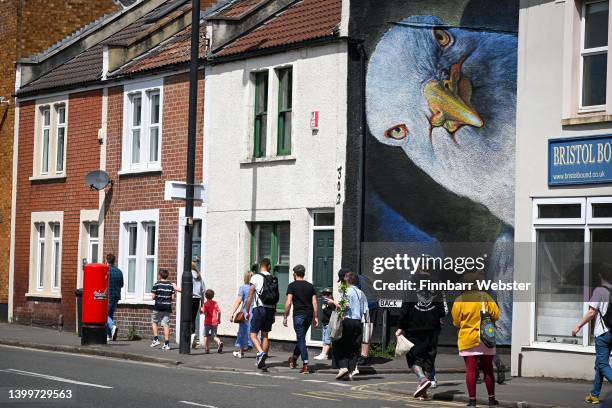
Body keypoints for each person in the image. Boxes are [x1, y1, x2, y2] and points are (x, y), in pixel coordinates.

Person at [452, 271, 500, 407]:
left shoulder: (459, 300)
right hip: (486, 338)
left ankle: (472, 401)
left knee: (471, 370)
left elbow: (456, 322)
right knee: (488, 369)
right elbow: (496, 315)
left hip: (467, 339)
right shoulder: (485, 297)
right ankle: (491, 400)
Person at [395, 270, 446, 399]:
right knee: (429, 358)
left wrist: (401, 326)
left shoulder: (411, 283)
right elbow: (441, 309)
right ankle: (423, 392)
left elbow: (405, 306)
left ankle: (422, 380)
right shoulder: (437, 284)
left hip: (414, 328)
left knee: (413, 357)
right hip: (433, 327)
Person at [572, 264, 612, 404]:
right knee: (599, 364)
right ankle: (594, 394)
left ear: (600, 275)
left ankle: (594, 394)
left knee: (602, 365)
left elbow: (591, 312)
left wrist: (578, 326)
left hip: (603, 333)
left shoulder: (600, 291)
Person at [330, 271, 369, 381]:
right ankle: (350, 372)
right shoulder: (362, 293)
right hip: (358, 322)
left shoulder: (346, 291)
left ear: (347, 280)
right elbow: (366, 311)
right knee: (353, 347)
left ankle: (343, 367)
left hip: (347, 320)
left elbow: (345, 306)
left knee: (338, 343)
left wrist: (334, 304)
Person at [284, 264, 318, 374]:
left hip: (298, 315)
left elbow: (288, 302)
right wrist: (316, 316)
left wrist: (285, 316)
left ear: (295, 274)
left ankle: (305, 364)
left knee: (301, 339)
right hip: (308, 315)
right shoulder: (310, 286)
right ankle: (293, 359)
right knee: (301, 337)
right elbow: (314, 302)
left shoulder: (292, 286)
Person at [246, 258, 279, 369]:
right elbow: (275, 298)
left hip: (259, 309)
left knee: (253, 334)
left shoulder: (255, 277)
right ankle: (262, 361)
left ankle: (261, 353)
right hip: (270, 309)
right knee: (265, 335)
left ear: (260, 266)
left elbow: (250, 295)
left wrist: (247, 310)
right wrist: (274, 313)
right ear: (269, 266)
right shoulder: (273, 278)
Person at [150, 269, 177, 350]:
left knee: (154, 321)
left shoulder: (157, 284)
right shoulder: (170, 285)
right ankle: (167, 344)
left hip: (158, 306)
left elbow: (153, 297)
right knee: (166, 324)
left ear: (159, 275)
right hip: (167, 307)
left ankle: (156, 339)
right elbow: (172, 298)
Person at [230, 271, 254, 358]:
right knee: (255, 332)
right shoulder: (256, 288)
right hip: (255, 312)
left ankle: (241, 352)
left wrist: (232, 313)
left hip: (245, 313)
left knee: (242, 332)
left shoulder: (243, 288)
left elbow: (239, 301)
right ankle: (260, 352)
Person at [106, 253, 123, 342]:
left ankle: (112, 326)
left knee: (104, 314)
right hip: (116, 296)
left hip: (108, 296)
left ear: (107, 261)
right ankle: (109, 335)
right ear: (114, 261)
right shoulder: (119, 271)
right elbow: (122, 285)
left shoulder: (106, 271)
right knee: (110, 315)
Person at [315, 287, 335, 360]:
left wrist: (325, 308)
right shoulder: (326, 302)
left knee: (327, 340)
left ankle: (323, 354)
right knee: (324, 339)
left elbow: (332, 313)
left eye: (323, 294)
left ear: (328, 295)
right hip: (325, 323)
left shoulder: (331, 302)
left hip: (329, 323)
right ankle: (325, 354)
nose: (322, 296)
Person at [201, 289, 223, 354]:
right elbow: (219, 312)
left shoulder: (205, 304)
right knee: (214, 336)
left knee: (206, 335)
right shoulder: (215, 303)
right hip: (215, 322)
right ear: (213, 296)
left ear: (205, 296)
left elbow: (205, 314)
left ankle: (207, 349)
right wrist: (219, 319)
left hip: (207, 322)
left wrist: (202, 310)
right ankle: (219, 342)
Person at [190, 262, 205, 349]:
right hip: (197, 299)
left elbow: (185, 288)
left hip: (189, 298)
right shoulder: (199, 277)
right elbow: (203, 291)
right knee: (193, 318)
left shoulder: (188, 275)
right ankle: (193, 335)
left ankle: (190, 336)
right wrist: (202, 305)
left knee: (187, 318)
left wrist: (176, 288)